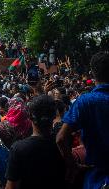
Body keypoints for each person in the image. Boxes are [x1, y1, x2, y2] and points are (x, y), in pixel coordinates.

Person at [56, 52, 109, 189]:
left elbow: (60, 138)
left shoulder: (85, 102)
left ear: (92, 73)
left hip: (97, 179)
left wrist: (73, 165)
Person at [5, 95, 65, 189]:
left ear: (30, 117)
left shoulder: (18, 149)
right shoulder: (62, 142)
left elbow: (11, 187)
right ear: (54, 116)